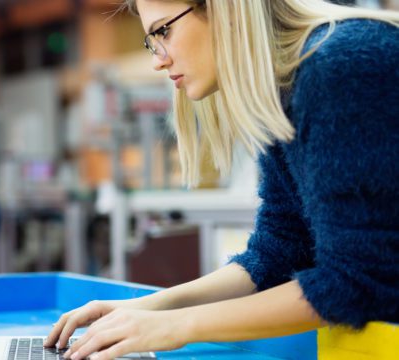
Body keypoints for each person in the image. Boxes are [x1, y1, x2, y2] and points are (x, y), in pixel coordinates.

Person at [45, 1, 398, 359]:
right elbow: (279, 251)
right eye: (152, 40)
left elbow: (356, 281)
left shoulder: (340, 66)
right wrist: (147, 309)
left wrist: (178, 326)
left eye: (163, 30)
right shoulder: (285, 84)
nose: (158, 59)